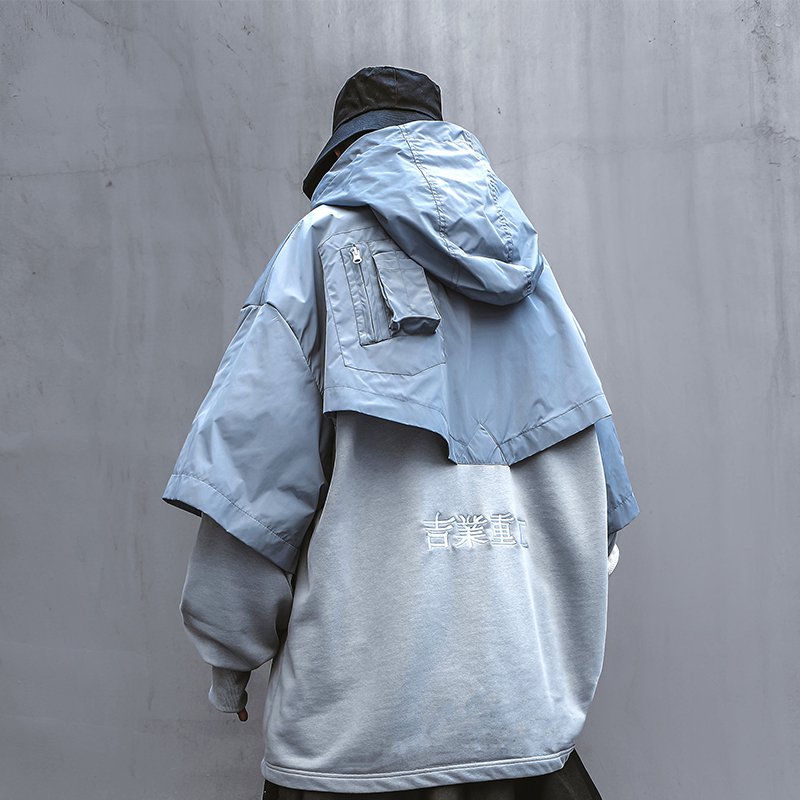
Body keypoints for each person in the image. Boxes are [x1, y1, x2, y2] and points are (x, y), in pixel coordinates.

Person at [164, 66, 638, 799]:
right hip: (529, 747)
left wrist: (230, 662)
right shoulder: (530, 272)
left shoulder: (316, 251)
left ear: (344, 151)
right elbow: (599, 528)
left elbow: (248, 497)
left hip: (356, 754)